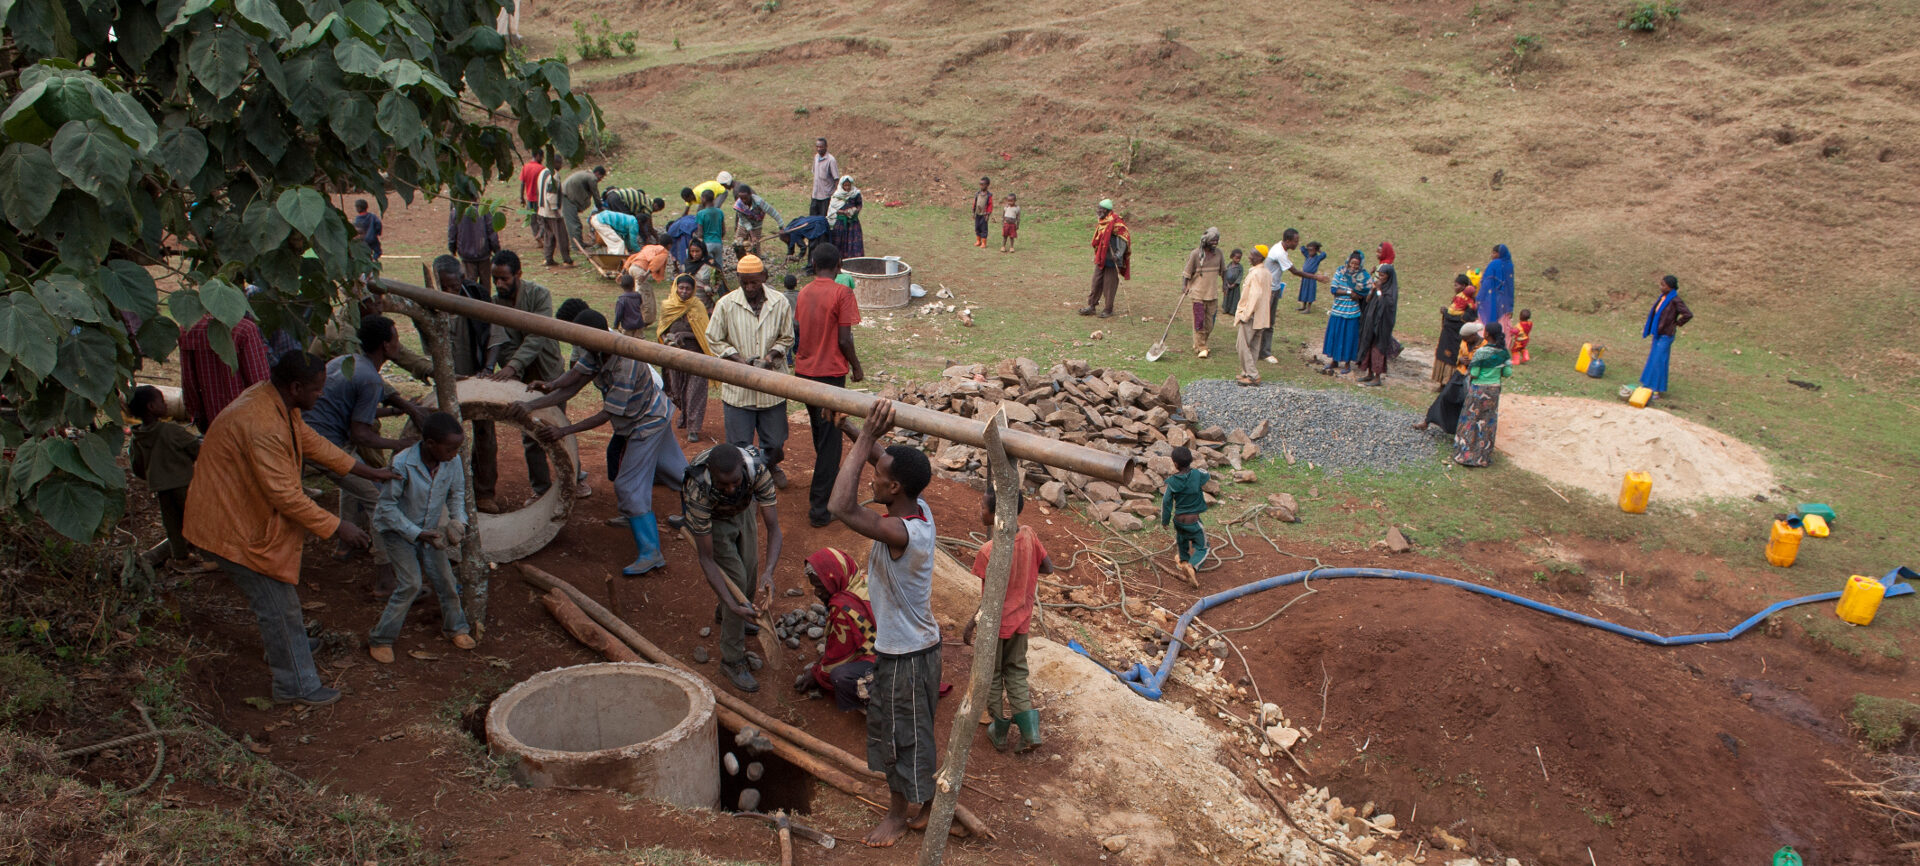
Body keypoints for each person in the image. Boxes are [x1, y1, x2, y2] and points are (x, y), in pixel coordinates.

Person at [185, 352, 397, 707]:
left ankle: (288, 647)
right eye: (317, 391)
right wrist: (337, 526)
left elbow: (312, 443)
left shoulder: (276, 402)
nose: (320, 397)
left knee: (279, 599)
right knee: (277, 605)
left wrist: (367, 472)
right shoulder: (262, 425)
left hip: (239, 514)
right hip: (228, 526)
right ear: (296, 387)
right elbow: (285, 496)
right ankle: (295, 684)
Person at [827, 399, 939, 849]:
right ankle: (928, 801)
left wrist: (868, 437)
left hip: (906, 656)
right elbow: (882, 463)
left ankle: (898, 813)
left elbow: (840, 505)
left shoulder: (899, 533)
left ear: (893, 488)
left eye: (879, 475)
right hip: (921, 648)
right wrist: (855, 430)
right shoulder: (919, 507)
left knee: (898, 734)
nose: (871, 474)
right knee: (917, 728)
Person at [515, 310, 688, 575]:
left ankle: (651, 553)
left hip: (647, 421)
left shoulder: (624, 362)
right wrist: (542, 394)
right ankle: (696, 514)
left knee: (628, 485)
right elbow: (574, 381)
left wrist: (565, 431)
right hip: (653, 411)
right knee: (674, 470)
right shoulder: (597, 346)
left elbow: (608, 413)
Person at [305, 316, 431, 592]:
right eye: (396, 339)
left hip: (315, 435)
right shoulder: (371, 379)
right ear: (386, 346)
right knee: (378, 499)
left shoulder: (347, 361)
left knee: (353, 486)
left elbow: (350, 408)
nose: (399, 344)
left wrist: (393, 410)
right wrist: (399, 445)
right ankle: (387, 578)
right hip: (322, 444)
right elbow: (360, 434)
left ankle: (345, 546)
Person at [367, 413, 476, 663]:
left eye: (457, 448)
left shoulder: (453, 461)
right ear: (430, 444)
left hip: (430, 529)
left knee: (446, 580)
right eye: (449, 448)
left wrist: (458, 521)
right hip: (397, 531)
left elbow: (457, 493)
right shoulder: (402, 463)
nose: (454, 453)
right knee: (411, 584)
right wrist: (416, 533)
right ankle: (381, 639)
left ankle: (456, 628)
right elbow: (386, 509)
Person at [674, 443, 782, 692]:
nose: (731, 488)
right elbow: (707, 558)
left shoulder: (758, 470)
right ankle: (732, 660)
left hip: (744, 510)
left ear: (743, 469)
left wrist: (769, 572)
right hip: (714, 520)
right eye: (724, 485)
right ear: (712, 474)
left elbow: (774, 528)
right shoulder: (698, 490)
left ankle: (728, 614)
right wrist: (731, 601)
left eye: (735, 481)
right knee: (736, 583)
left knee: (752, 570)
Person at [966, 484, 1053, 752]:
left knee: (992, 674)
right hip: (1022, 621)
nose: (979, 510)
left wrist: (972, 623)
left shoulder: (988, 550)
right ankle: (1030, 731)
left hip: (995, 625)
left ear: (996, 513)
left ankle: (1000, 730)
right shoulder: (1029, 535)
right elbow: (1048, 568)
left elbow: (989, 597)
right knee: (1016, 671)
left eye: (983, 507)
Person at [480, 251, 565, 511]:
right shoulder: (496, 303)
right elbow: (501, 341)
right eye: (495, 279)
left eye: (504, 278)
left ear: (518, 274)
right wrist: (511, 370)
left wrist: (512, 366)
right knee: (530, 433)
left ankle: (571, 481)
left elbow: (537, 337)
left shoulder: (539, 295)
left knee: (558, 428)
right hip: (521, 378)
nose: (499, 284)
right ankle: (541, 488)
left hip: (549, 371)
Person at [706, 256, 796, 488]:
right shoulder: (726, 304)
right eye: (744, 283)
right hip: (738, 390)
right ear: (739, 280)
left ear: (764, 277)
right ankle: (745, 483)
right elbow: (713, 338)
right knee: (738, 445)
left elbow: (787, 337)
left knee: (775, 443)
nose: (749, 288)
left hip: (771, 388)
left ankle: (769, 466)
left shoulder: (780, 302)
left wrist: (769, 358)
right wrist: (739, 360)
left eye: (754, 283)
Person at [793, 243, 864, 527]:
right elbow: (845, 339)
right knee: (830, 442)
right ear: (839, 266)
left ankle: (826, 493)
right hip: (829, 377)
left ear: (813, 263)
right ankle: (821, 509)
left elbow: (800, 328)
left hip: (804, 373)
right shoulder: (842, 292)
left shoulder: (804, 292)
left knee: (822, 435)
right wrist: (857, 367)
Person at [129, 386, 216, 574]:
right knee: (196, 520)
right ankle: (209, 557)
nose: (166, 403)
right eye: (161, 400)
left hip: (161, 488)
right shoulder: (170, 431)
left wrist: (154, 475)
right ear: (152, 406)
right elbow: (197, 450)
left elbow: (137, 467)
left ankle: (180, 557)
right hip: (184, 485)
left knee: (173, 525)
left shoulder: (137, 439)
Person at [798, 548, 876, 710]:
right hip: (907, 647)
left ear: (834, 578)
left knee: (840, 676)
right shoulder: (864, 580)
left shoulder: (843, 608)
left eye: (821, 587)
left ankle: (876, 701)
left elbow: (836, 659)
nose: (817, 593)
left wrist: (816, 674)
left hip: (891, 659)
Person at [179, 314, 271, 432]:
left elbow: (188, 382)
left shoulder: (189, 328)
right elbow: (258, 382)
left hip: (212, 420)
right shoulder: (244, 329)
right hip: (245, 422)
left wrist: (197, 413)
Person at [657, 274, 713, 442]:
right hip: (674, 358)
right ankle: (684, 417)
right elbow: (662, 330)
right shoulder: (668, 306)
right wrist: (669, 339)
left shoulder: (698, 307)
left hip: (696, 358)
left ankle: (693, 429)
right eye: (681, 288)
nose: (684, 291)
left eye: (688, 289)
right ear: (675, 287)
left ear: (693, 290)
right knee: (676, 391)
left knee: (694, 392)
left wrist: (685, 335)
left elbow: (705, 334)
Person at [1454, 322, 1513, 467]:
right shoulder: (1504, 353)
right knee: (1487, 422)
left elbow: (1474, 373)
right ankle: (1483, 457)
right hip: (1493, 391)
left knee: (1471, 419)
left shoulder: (1481, 352)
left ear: (1486, 334)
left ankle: (1466, 455)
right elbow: (1507, 373)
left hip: (1478, 390)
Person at [1262, 229, 1319, 363]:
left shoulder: (1280, 248)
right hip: (1269, 290)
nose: (1297, 243)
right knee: (1265, 321)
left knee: (1269, 321)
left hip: (1273, 288)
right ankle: (1262, 352)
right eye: (1295, 241)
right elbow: (1295, 272)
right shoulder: (1280, 253)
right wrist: (1316, 277)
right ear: (1288, 241)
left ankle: (1263, 351)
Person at [1416, 321, 1479, 435]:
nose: (1464, 341)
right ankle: (1427, 421)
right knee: (1444, 396)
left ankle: (1462, 430)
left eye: (1466, 338)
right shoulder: (1464, 343)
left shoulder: (1483, 346)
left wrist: (1473, 362)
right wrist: (1460, 360)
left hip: (1472, 378)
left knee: (1465, 403)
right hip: (1460, 374)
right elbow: (1459, 356)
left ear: (1473, 335)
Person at [1159, 445, 1209, 583]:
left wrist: (1165, 521)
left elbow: (1166, 502)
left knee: (1182, 540)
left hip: (1179, 521)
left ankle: (1184, 561)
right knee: (1203, 546)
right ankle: (1192, 566)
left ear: (1175, 464)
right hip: (1194, 521)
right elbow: (1207, 475)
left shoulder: (1172, 482)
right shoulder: (1198, 475)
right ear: (1191, 460)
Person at [1639, 275, 1692, 398]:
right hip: (1658, 333)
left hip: (1666, 335)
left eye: (1663, 285)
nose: (1661, 287)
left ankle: (1655, 390)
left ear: (1670, 287)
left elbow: (1688, 314)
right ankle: (1647, 385)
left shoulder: (1675, 300)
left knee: (1659, 361)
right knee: (1653, 359)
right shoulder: (1663, 298)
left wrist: (1677, 323)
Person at [1321, 250, 1370, 375]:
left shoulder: (1363, 276)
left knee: (1349, 338)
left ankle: (1347, 363)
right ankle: (1334, 360)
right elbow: (1334, 289)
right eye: (1351, 263)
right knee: (1335, 336)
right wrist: (1349, 292)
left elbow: (1364, 293)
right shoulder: (1340, 271)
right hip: (1338, 310)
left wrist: (1357, 295)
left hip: (1352, 312)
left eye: (1356, 265)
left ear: (1360, 265)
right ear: (1348, 262)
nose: (1353, 266)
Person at [1079, 199, 1130, 318]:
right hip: (1102, 257)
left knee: (1109, 285)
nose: (1098, 211)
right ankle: (1091, 306)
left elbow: (1124, 238)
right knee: (1096, 282)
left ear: (1107, 210)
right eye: (1098, 208)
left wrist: (1118, 254)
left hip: (1113, 260)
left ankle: (1108, 309)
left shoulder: (1117, 223)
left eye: (1101, 209)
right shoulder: (1103, 222)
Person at [1355, 263, 1401, 386]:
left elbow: (1386, 305)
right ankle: (1369, 373)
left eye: (1383, 276)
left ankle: (1377, 377)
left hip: (1381, 326)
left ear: (1389, 276)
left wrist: (1380, 290)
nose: (1380, 278)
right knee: (1368, 346)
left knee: (1378, 349)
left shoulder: (1391, 291)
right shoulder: (1377, 286)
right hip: (1370, 322)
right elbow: (1368, 300)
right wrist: (1373, 290)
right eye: (1379, 275)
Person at [1234, 246, 1274, 387]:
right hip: (1262, 316)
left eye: (1252, 255)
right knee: (1254, 346)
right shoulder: (1267, 273)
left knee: (1242, 345)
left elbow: (1255, 296)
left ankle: (1252, 375)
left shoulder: (1256, 274)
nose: (1249, 257)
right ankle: (1247, 372)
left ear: (1259, 257)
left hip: (1252, 316)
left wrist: (1245, 314)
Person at [1183, 227, 1226, 358]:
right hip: (1198, 294)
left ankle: (1199, 343)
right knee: (1199, 321)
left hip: (1212, 294)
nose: (1215, 243)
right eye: (1213, 240)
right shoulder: (1196, 254)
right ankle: (1201, 346)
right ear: (1206, 241)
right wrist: (1184, 286)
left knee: (1210, 323)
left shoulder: (1219, 254)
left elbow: (1223, 271)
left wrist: (1225, 285)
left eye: (1217, 240)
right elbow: (1187, 272)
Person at [1433, 274, 1477, 384]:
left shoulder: (1470, 304)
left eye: (1457, 285)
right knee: (1443, 355)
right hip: (1447, 333)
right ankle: (1441, 382)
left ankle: (1448, 383)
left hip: (1456, 335)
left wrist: (1446, 314)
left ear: (1464, 286)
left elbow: (1464, 319)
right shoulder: (1458, 299)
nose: (1454, 287)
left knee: (1452, 358)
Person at [448, 203, 501, 294]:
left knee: (469, 289)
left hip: (466, 255)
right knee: (485, 288)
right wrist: (497, 250)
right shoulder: (484, 210)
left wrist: (452, 249)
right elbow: (491, 232)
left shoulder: (457, 212)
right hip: (483, 254)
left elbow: (452, 233)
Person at [561, 166, 606, 259]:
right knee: (574, 224)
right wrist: (600, 208)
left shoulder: (587, 175)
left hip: (568, 196)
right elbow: (596, 194)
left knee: (577, 224)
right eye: (600, 178)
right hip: (567, 198)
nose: (600, 180)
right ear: (597, 173)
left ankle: (580, 243)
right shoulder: (592, 178)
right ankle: (576, 247)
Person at [732, 183, 783, 258]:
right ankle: (742, 262)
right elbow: (745, 221)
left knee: (755, 247)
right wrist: (752, 235)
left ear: (750, 195)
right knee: (737, 245)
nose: (744, 201)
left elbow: (773, 212)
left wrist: (781, 226)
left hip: (756, 225)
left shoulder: (759, 202)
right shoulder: (738, 205)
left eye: (745, 198)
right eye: (741, 198)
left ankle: (756, 263)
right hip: (743, 225)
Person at [535, 162, 570, 267]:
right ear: (557, 163)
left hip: (542, 210)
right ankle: (567, 260)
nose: (561, 166)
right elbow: (551, 194)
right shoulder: (553, 174)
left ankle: (548, 258)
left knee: (548, 235)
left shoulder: (542, 172)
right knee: (561, 236)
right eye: (560, 163)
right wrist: (555, 210)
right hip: (551, 211)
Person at [1477, 244, 1515, 332]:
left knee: (1488, 321)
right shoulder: (1510, 265)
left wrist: (1479, 297)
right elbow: (1510, 286)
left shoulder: (1494, 264)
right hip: (1505, 302)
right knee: (1502, 324)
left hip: (1491, 298)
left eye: (1494, 253)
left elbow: (1486, 282)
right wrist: (1510, 307)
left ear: (1500, 253)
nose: (1492, 255)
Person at [828, 176, 865, 258]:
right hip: (840, 224)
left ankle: (853, 261)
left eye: (849, 185)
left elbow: (859, 204)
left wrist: (855, 211)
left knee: (854, 242)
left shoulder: (855, 194)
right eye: (845, 186)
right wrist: (843, 212)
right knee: (839, 243)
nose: (847, 188)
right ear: (842, 185)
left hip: (853, 223)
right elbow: (833, 209)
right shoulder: (837, 195)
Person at [696, 189, 728, 278]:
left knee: (707, 267)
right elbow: (724, 230)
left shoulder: (701, 214)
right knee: (719, 266)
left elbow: (700, 233)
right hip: (718, 242)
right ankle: (721, 286)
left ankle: (708, 287)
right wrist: (719, 238)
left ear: (703, 199)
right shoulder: (720, 212)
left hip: (707, 243)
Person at [612, 272, 654, 337]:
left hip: (627, 326)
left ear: (621, 286)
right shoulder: (638, 296)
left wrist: (616, 324)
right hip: (639, 324)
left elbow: (619, 313)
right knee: (639, 342)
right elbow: (640, 305)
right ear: (633, 285)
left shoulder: (622, 299)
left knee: (627, 343)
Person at [810, 137, 840, 217]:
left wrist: (837, 196)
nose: (819, 149)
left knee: (824, 220)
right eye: (817, 147)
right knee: (812, 220)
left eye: (821, 147)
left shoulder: (831, 160)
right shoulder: (816, 157)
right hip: (815, 195)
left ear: (826, 147)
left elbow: (836, 179)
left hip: (826, 197)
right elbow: (815, 174)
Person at [1220, 248, 1244, 335]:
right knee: (1227, 297)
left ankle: (1233, 310)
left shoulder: (1240, 267)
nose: (1238, 260)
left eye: (1239, 258)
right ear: (1232, 257)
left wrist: (1235, 284)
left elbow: (1240, 277)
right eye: (1236, 258)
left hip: (1235, 286)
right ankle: (1226, 309)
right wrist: (1226, 283)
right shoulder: (1228, 266)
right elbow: (1224, 274)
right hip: (1227, 284)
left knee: (1234, 298)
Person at [1298, 241, 1326, 313]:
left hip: (1312, 278)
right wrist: (1308, 247)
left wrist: (1319, 249)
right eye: (1309, 250)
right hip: (1305, 277)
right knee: (1304, 291)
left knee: (1310, 292)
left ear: (1316, 250)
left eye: (1312, 250)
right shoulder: (1307, 256)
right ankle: (1303, 305)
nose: (1310, 252)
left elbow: (1324, 254)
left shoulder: (1317, 258)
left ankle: (1308, 308)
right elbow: (1302, 249)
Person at [971, 177, 993, 248]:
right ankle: (978, 241)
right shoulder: (977, 194)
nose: (981, 186)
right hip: (977, 214)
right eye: (980, 184)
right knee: (977, 227)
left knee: (984, 228)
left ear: (987, 185)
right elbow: (975, 203)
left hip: (984, 215)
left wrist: (988, 214)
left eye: (983, 184)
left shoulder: (989, 195)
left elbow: (990, 205)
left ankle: (984, 242)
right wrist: (973, 212)